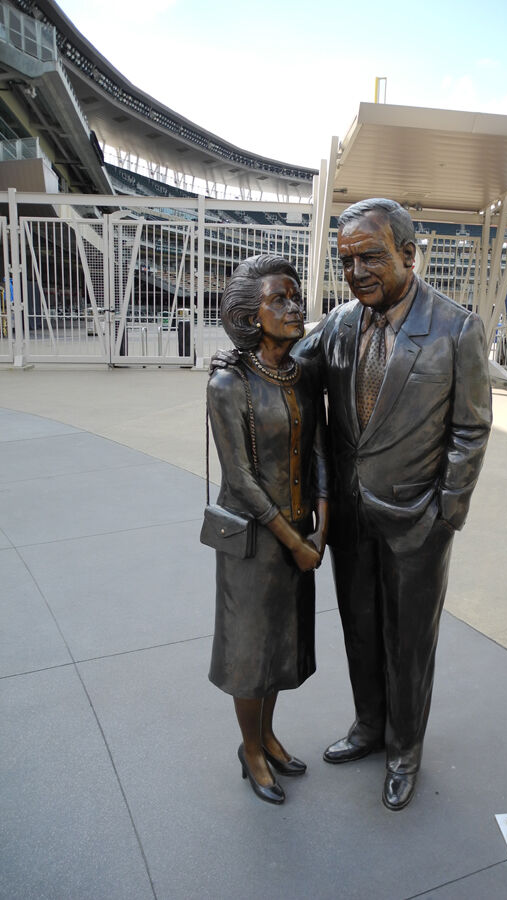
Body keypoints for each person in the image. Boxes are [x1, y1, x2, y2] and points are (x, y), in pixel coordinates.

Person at [295, 198, 492, 811]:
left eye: (371, 257)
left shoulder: (456, 329)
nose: (356, 273)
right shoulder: (338, 324)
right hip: (351, 517)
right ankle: (368, 725)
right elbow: (283, 371)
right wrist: (241, 355)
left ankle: (405, 748)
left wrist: (446, 513)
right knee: (359, 627)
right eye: (346, 260)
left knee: (409, 642)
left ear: (409, 254)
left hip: (419, 521)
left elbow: (471, 429)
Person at [206, 254, 328, 806]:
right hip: (255, 544)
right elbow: (241, 479)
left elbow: (320, 446)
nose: (293, 306)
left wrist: (323, 519)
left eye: (295, 295)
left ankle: (268, 737)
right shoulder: (228, 384)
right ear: (249, 314)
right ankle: (249, 750)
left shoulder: (301, 373)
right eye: (279, 298)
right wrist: (296, 542)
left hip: (300, 535)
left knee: (281, 645)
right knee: (250, 653)